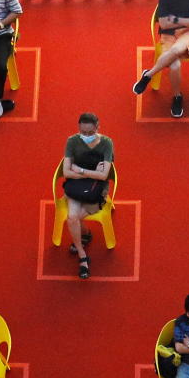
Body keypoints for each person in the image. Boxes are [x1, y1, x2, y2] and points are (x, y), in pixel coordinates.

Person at [60, 113, 114, 279]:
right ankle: (83, 255)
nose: (87, 136)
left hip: (96, 189)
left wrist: (81, 170)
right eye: (83, 132)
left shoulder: (106, 143)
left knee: (74, 218)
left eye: (90, 133)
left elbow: (104, 176)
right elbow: (66, 171)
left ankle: (85, 235)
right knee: (72, 218)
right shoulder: (72, 141)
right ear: (79, 128)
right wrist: (92, 173)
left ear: (98, 128)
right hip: (77, 187)